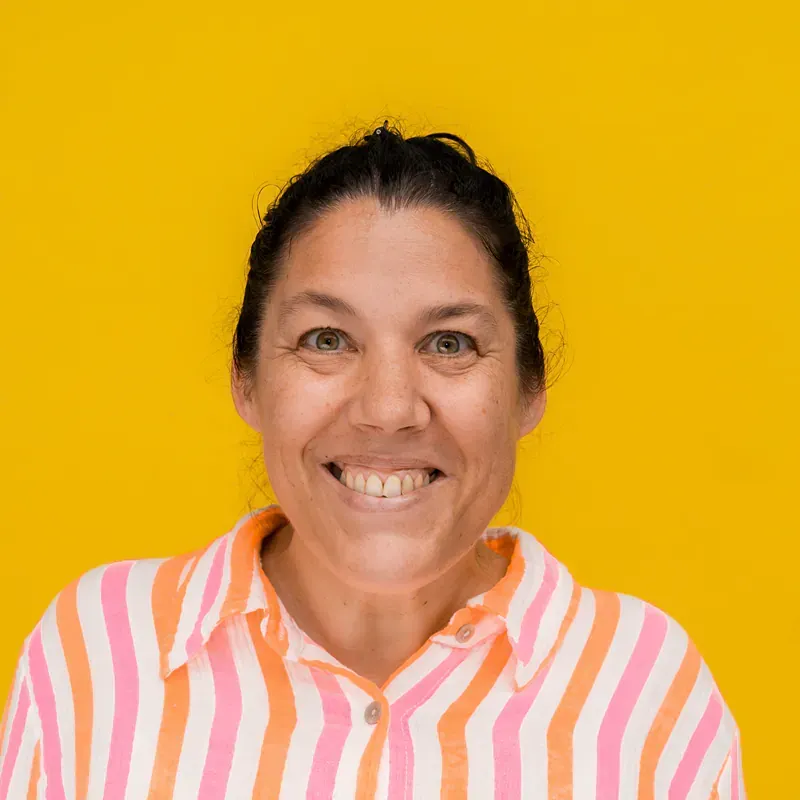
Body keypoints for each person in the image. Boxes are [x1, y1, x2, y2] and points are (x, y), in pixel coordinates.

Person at [0, 121, 745, 799]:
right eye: (327, 339)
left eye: (449, 343)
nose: (389, 408)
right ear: (247, 380)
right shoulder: (93, 651)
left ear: (528, 391)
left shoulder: (649, 690)